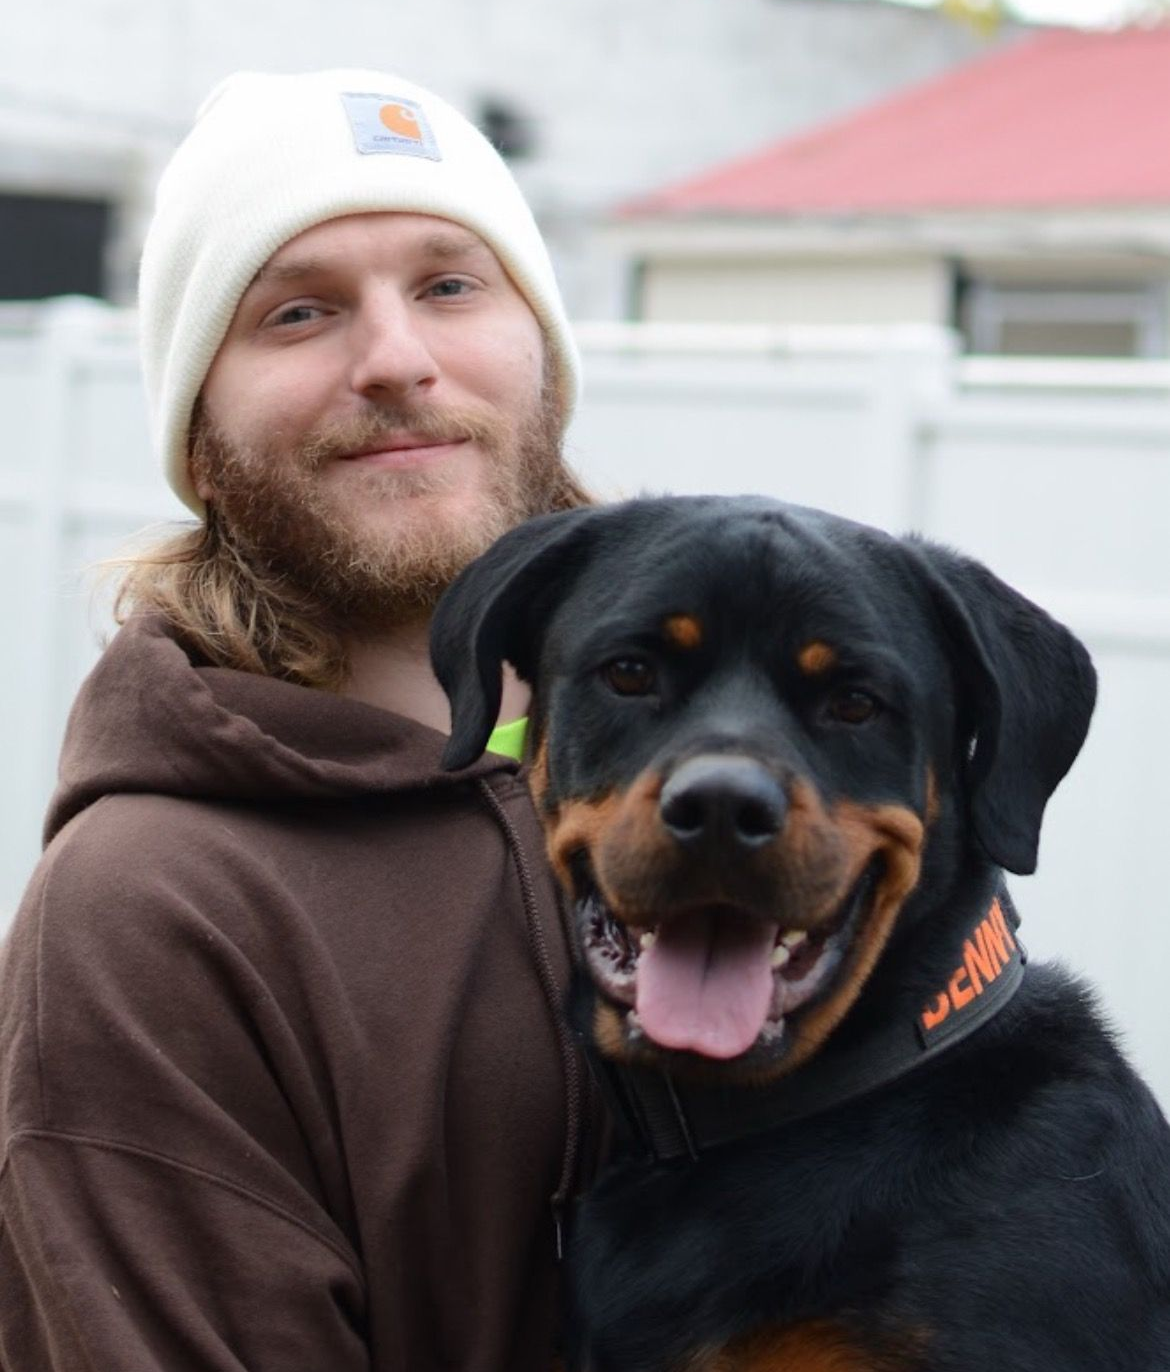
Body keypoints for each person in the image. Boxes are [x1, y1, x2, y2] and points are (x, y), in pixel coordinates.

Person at [0, 69, 597, 1372]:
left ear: (540, 352)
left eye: (448, 286)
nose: (395, 360)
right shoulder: (152, 915)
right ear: (200, 441)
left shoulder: (738, 759)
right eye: (298, 311)